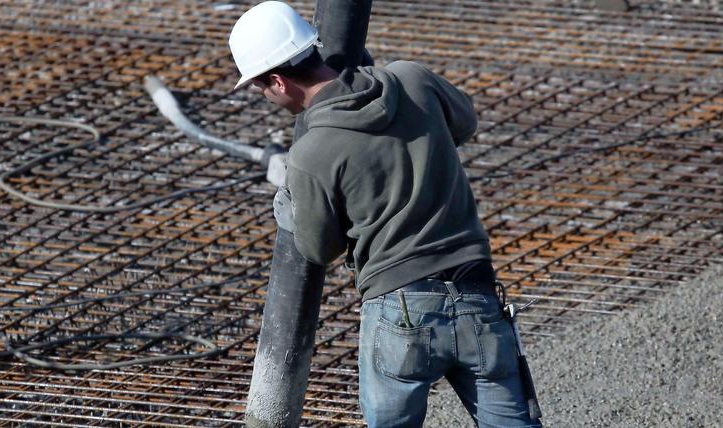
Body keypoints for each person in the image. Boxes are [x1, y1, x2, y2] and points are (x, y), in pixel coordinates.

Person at [229, 2, 542, 427]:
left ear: (278, 82)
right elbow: (465, 123)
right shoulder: (412, 79)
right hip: (477, 297)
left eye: (259, 88)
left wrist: (289, 203)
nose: (263, 96)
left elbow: (319, 248)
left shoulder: (313, 153)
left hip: (399, 310)